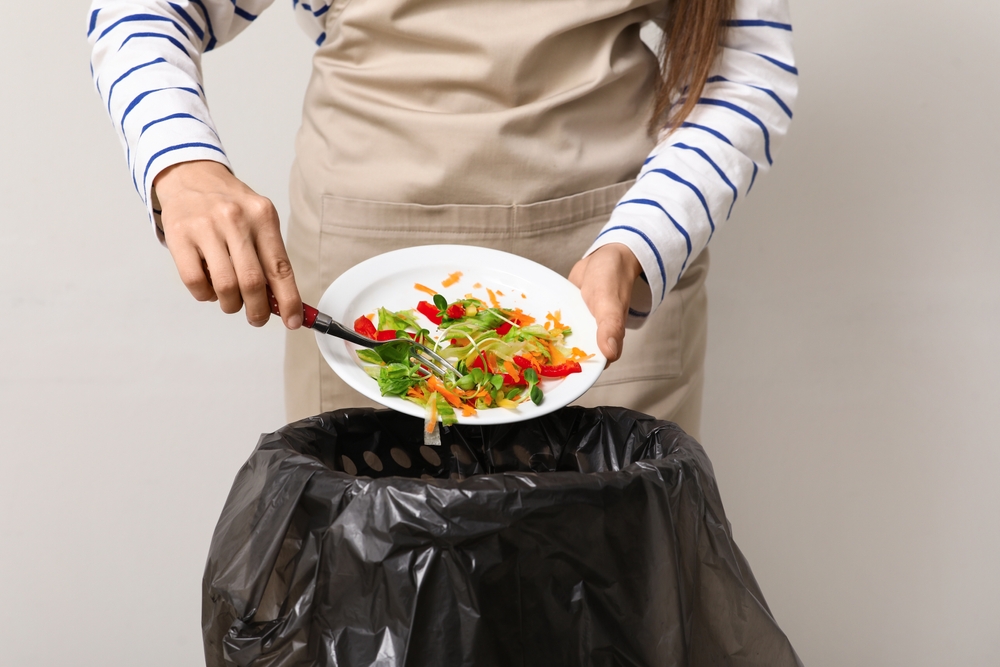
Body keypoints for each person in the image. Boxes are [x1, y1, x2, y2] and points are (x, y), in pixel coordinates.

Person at [87, 0, 796, 439]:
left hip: (610, 290)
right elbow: (145, 9)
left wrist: (640, 242)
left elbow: (744, 68)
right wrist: (181, 164)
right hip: (363, 306)